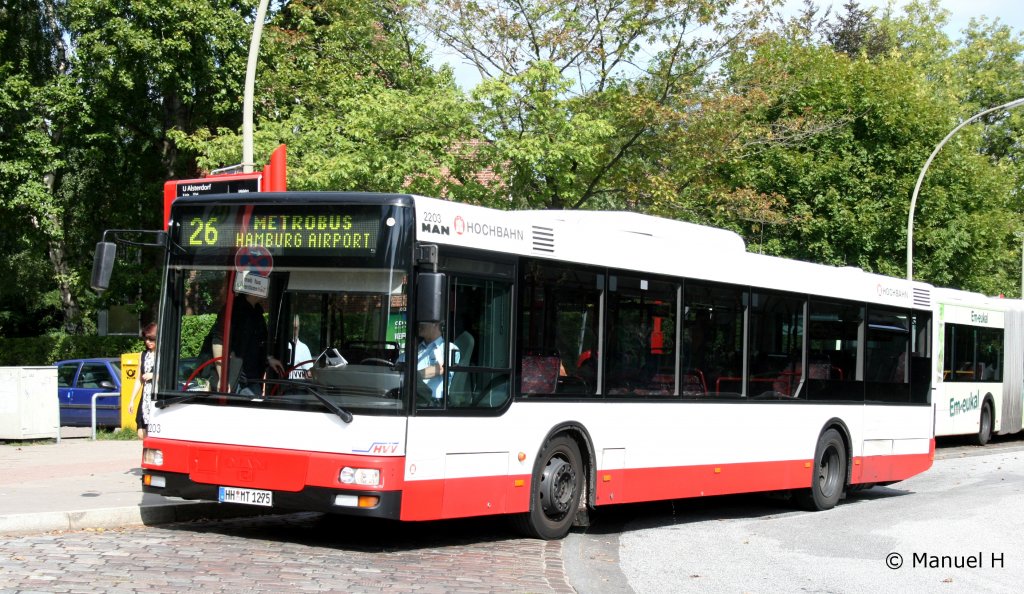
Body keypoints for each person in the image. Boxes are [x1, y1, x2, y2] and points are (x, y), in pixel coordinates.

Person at [209, 292, 284, 395]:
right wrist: (223, 378)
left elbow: (257, 344)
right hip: (236, 381)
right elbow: (218, 340)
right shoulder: (233, 308)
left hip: (254, 379)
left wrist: (268, 358)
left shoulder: (257, 311)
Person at [409, 320, 460, 401]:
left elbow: (441, 368)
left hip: (433, 402)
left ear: (436, 324)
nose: (419, 323)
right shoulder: (416, 348)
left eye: (423, 320)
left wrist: (411, 376)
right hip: (410, 397)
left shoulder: (449, 348)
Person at [128, 323, 157, 439]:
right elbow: (138, 380)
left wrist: (154, 375)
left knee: (153, 431)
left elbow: (168, 374)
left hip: (156, 395)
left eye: (151, 339)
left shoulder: (163, 355)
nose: (148, 342)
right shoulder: (143, 355)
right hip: (145, 396)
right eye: (146, 339)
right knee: (141, 433)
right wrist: (131, 400)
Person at [287, 315, 313, 379]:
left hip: (298, 386)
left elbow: (309, 373)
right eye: (293, 327)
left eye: (296, 327)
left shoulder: (304, 348)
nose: (295, 331)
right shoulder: (282, 346)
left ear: (299, 328)